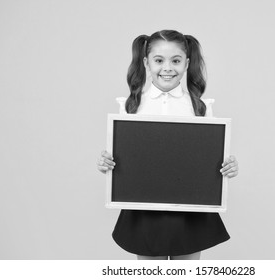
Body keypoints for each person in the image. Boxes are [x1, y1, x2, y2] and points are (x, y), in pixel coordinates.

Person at [97, 30, 239, 260]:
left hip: (190, 208)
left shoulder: (200, 107)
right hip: (144, 207)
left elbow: (210, 158)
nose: (167, 67)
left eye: (176, 60)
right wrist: (107, 162)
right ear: (146, 63)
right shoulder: (131, 107)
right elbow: (122, 159)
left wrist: (228, 166)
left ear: (187, 63)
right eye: (159, 60)